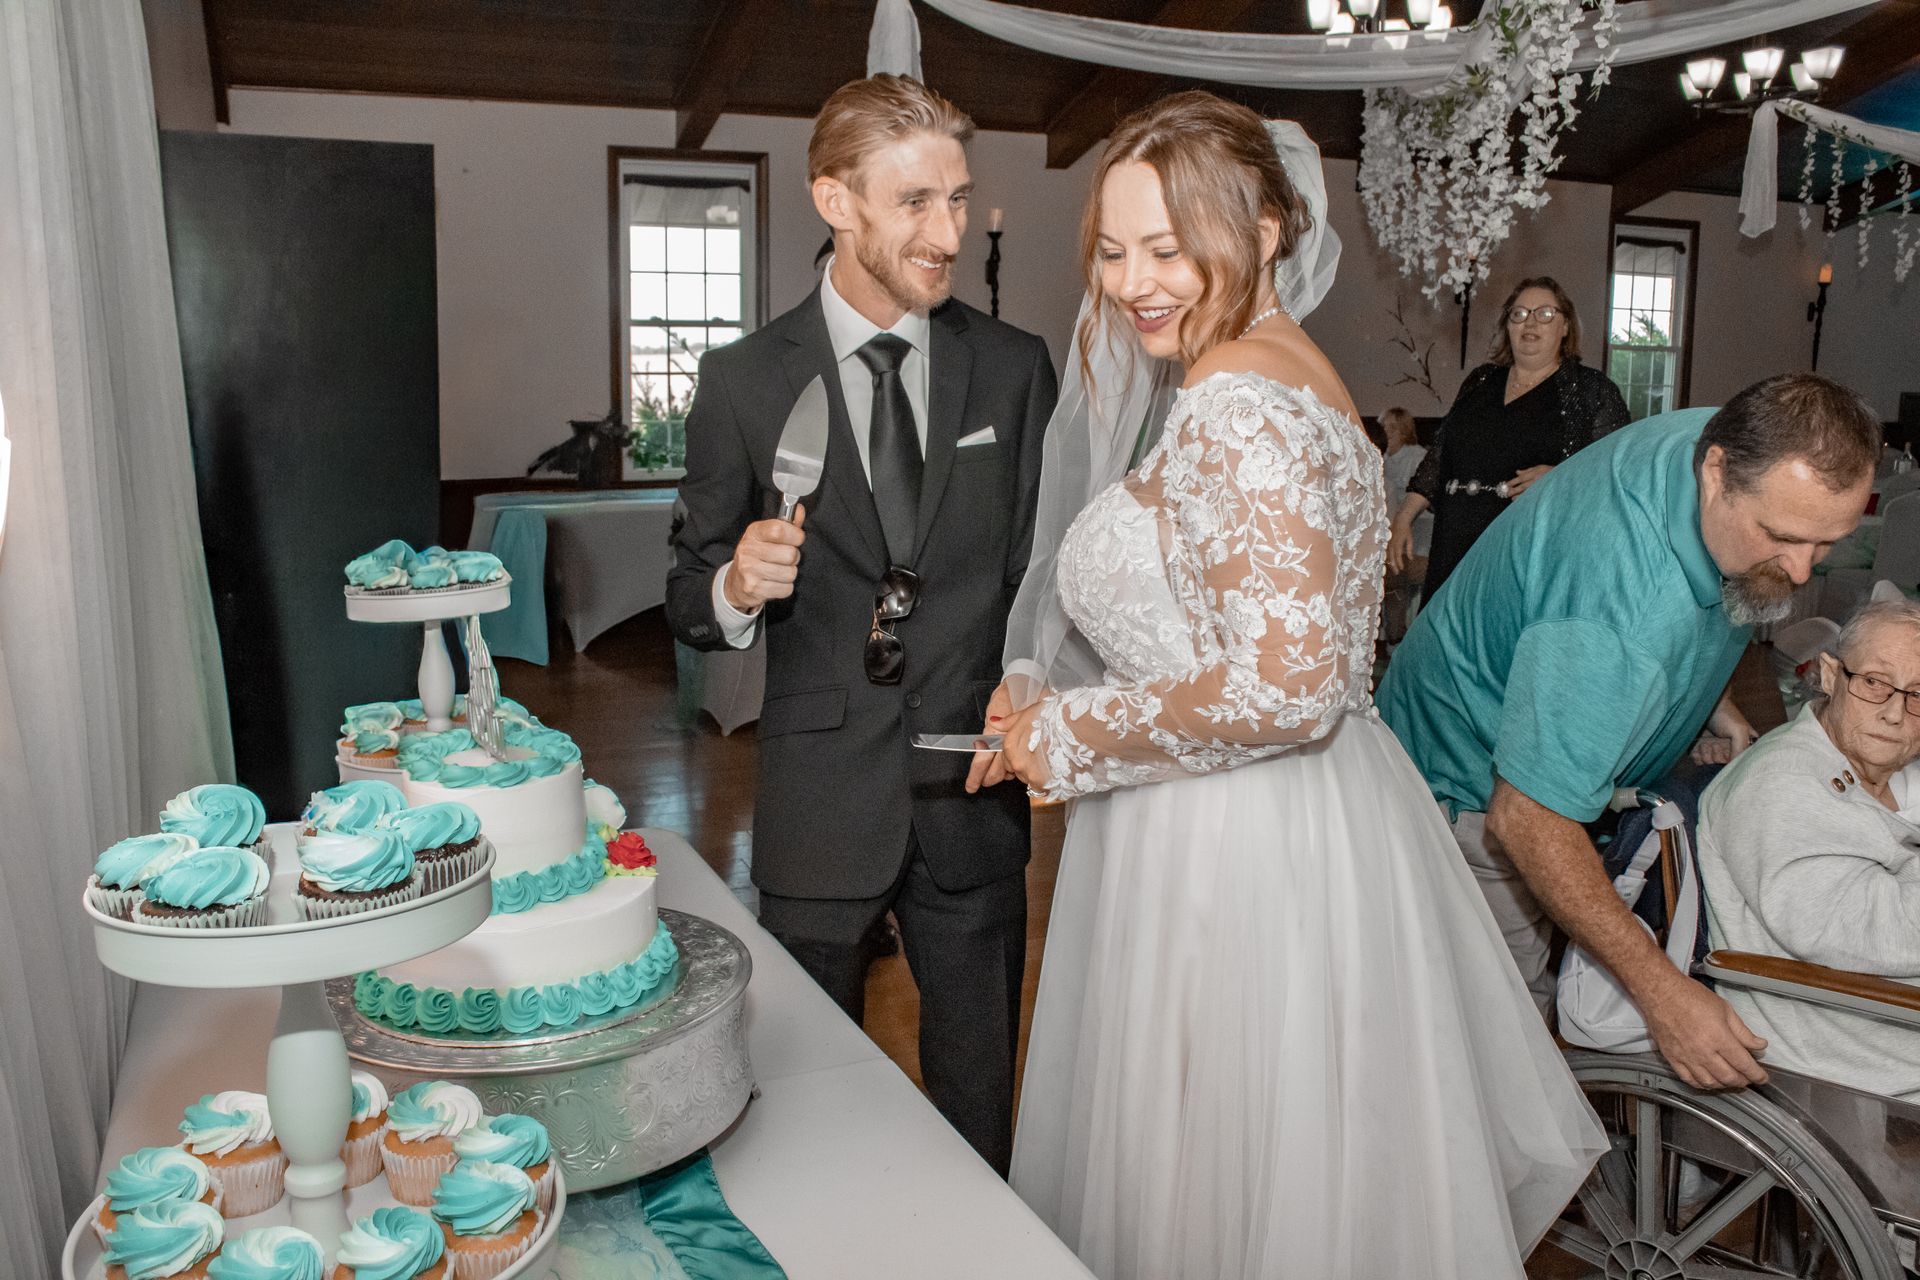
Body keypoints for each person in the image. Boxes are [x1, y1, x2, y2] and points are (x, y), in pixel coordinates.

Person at [975, 91, 1602, 1280]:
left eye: (1167, 246)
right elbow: (1217, 620)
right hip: (1299, 817)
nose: (1132, 280)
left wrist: (1068, 735)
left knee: (1216, 1174)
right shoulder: (1297, 377)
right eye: (1111, 250)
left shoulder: (1236, 403)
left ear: (1266, 229)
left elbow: (1287, 688)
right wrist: (1035, 678)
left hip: (1229, 840)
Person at [664, 74, 1056, 1175]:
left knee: (981, 1097)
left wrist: (1029, 669)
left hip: (973, 795)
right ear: (834, 201)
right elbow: (686, 598)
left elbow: (1042, 569)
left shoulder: (1015, 367)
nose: (949, 232)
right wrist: (737, 583)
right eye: (915, 202)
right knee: (799, 1101)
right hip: (821, 799)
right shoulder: (743, 381)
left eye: (960, 199)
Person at [1376, 372, 1883, 1091]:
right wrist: (1664, 995)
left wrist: (1716, 704)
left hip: (1555, 731)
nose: (1801, 569)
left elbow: (1719, 600)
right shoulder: (1618, 608)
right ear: (1716, 474)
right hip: (1466, 790)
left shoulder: (1735, 436)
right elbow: (1527, 819)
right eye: (1782, 537)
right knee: (1501, 1050)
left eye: (1826, 543)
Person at [1697, 599, 1920, 1099]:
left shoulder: (1859, 766)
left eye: (1918, 695)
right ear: (1829, 675)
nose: (1893, 713)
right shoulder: (1783, 785)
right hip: (1851, 1039)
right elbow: (1859, 930)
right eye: (1874, 683)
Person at [1385, 276, 1629, 604]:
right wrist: (1403, 517)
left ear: (1566, 326)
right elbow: (1440, 455)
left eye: (1544, 314)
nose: (1530, 322)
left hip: (1527, 552)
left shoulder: (1590, 392)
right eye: (1519, 314)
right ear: (1507, 326)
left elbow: (1616, 477)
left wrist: (1559, 479)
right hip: (1454, 544)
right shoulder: (1480, 380)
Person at [1379, 406, 1430, 642]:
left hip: (1418, 528)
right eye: (1385, 427)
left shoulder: (1416, 456)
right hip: (1389, 529)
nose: (1388, 432)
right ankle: (1392, 636)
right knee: (1393, 581)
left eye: (1393, 427)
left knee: (1407, 578)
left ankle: (1406, 636)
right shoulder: (1384, 458)